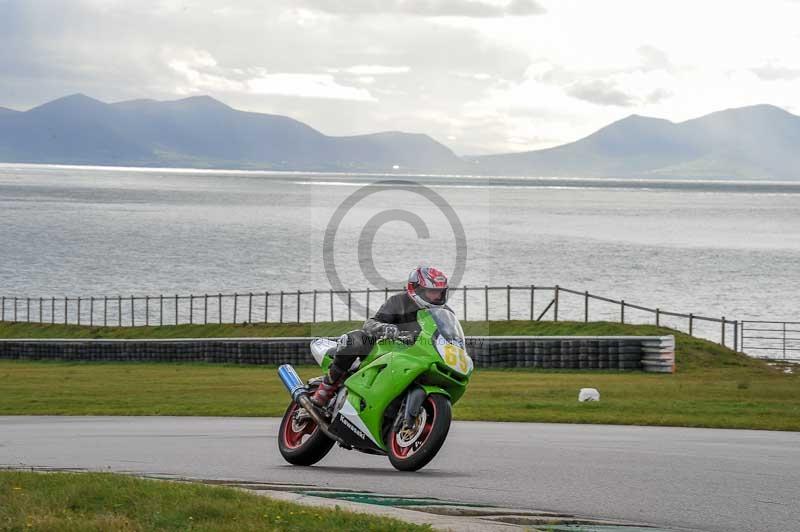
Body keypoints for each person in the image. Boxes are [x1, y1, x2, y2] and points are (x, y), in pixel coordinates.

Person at [310, 266, 450, 406]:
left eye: (440, 292)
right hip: (387, 350)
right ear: (417, 288)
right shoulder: (398, 301)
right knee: (356, 340)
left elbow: (448, 335)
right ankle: (325, 389)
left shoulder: (445, 313)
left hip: (418, 355)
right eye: (432, 291)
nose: (437, 296)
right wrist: (383, 327)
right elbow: (370, 323)